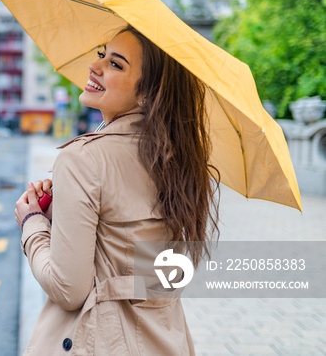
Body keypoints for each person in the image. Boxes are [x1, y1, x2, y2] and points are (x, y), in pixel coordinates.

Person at [15, 25, 219, 355]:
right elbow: (141, 271)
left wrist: (33, 224)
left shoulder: (83, 158)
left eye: (116, 64)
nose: (96, 66)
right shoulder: (179, 162)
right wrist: (63, 208)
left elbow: (68, 290)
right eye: (102, 55)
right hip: (165, 341)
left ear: (147, 93)